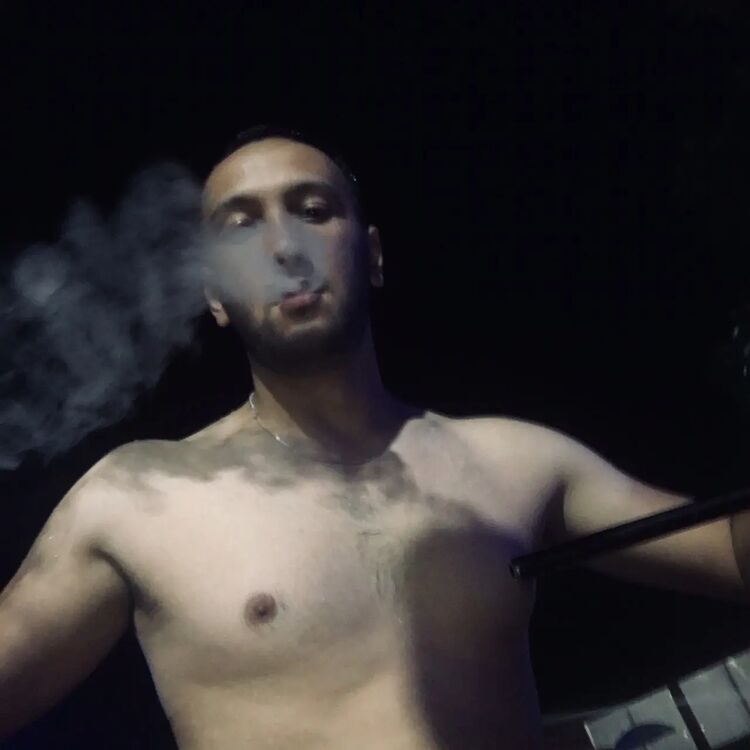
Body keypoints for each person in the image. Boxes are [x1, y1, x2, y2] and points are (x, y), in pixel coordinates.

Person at [0, 125, 747, 750]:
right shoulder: (138, 497)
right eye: (241, 226)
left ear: (374, 253)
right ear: (215, 296)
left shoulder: (513, 460)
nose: (285, 245)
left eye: (314, 211)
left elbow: (730, 555)